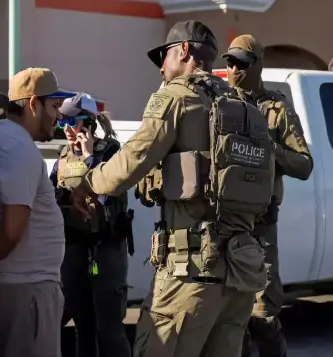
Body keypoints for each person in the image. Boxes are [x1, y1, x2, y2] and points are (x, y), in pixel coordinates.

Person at [69, 20, 274, 357]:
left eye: (163, 57)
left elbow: (134, 158)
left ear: (182, 51)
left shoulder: (175, 98)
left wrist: (88, 186)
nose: (161, 68)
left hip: (190, 272)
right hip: (241, 275)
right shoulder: (245, 108)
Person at [0, 67, 74, 357]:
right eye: (54, 106)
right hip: (26, 293)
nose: (58, 115)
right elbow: (12, 228)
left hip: (21, 290)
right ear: (33, 104)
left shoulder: (5, 141)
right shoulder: (16, 147)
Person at [223, 35, 313, 357]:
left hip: (260, 226)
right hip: (223, 224)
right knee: (230, 316)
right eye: (229, 62)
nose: (233, 69)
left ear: (256, 65)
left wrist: (269, 150)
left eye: (241, 63)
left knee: (263, 313)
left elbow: (304, 164)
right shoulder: (220, 106)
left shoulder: (276, 111)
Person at [50, 93, 132, 357]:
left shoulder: (109, 151)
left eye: (73, 123)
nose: (68, 130)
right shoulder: (62, 158)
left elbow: (107, 192)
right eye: (63, 123)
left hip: (105, 247)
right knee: (82, 325)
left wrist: (89, 159)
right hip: (74, 248)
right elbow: (52, 197)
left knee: (108, 328)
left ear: (89, 123)